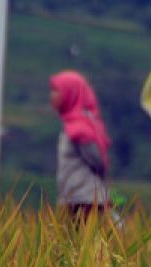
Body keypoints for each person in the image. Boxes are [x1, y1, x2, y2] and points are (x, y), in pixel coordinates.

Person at [49, 70, 112, 220]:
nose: (52, 96)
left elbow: (97, 160)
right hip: (74, 199)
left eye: (56, 91)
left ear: (70, 94)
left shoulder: (79, 128)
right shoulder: (75, 124)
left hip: (84, 201)